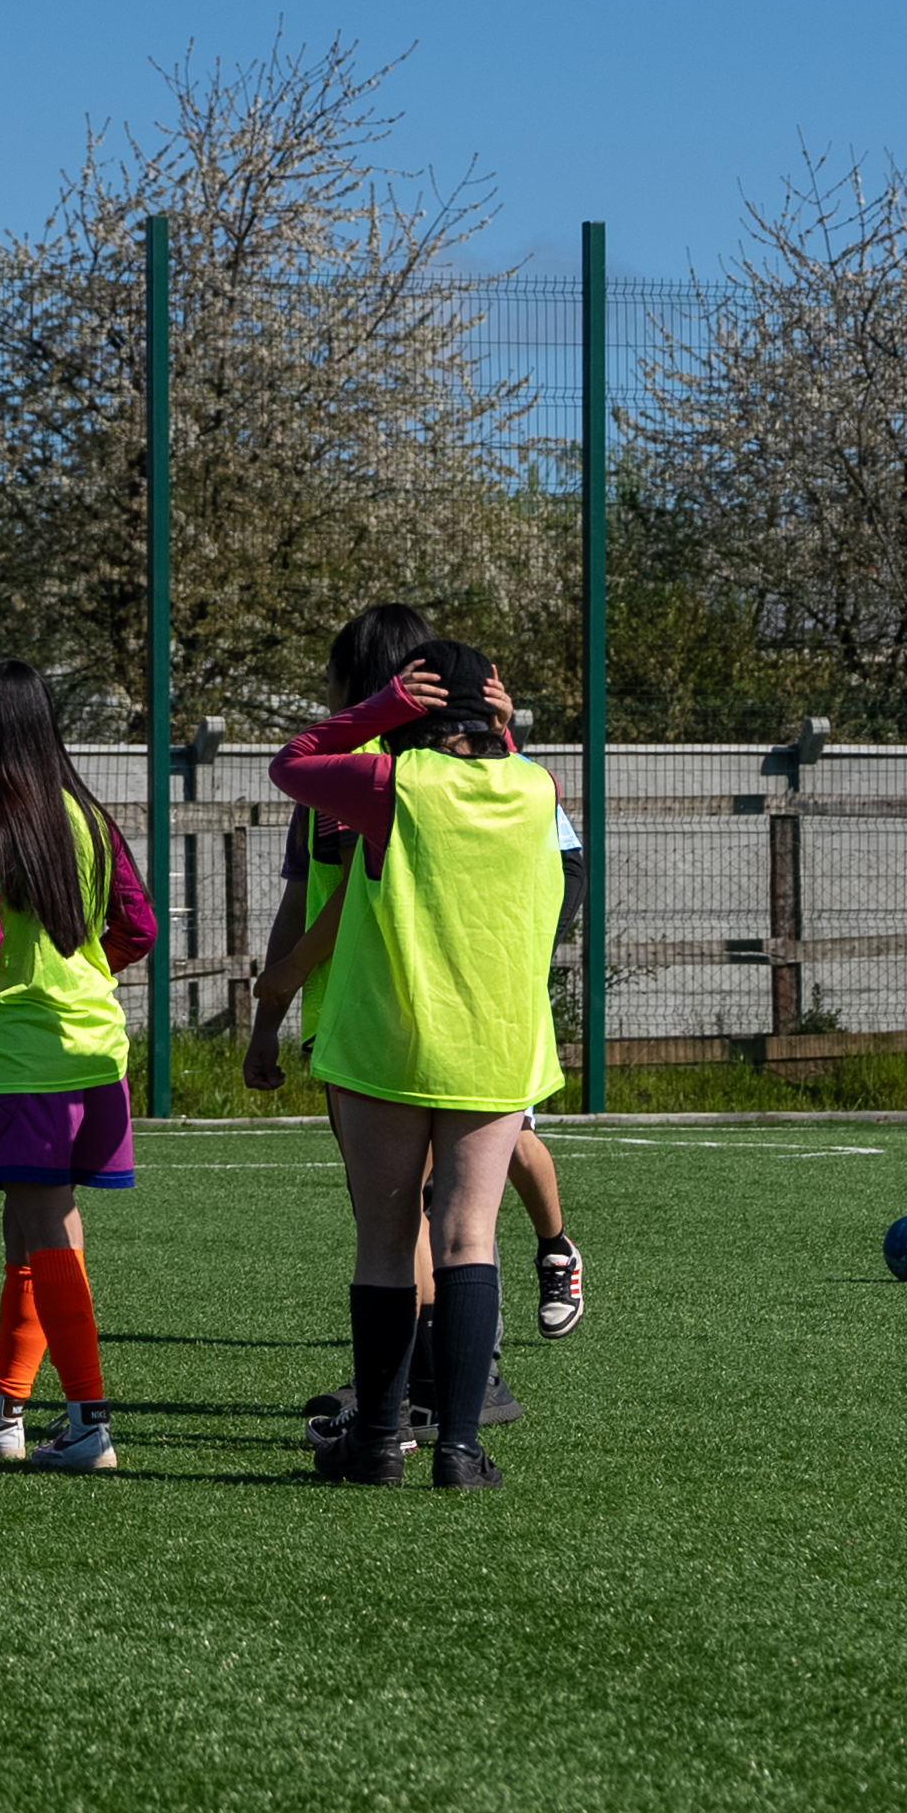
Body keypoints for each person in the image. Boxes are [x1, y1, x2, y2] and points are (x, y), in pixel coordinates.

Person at [245, 605, 585, 1433]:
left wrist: (281, 986)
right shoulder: (528, 779)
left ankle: (400, 1410)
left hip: (383, 1028)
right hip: (474, 1033)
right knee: (459, 1226)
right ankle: (453, 1421)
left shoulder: (375, 774)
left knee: (396, 1232)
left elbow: (305, 798)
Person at [0, 660, 156, 1472]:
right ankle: (2, 1406)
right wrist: (81, 975)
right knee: (35, 1225)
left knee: (42, 1224)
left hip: (23, 1054)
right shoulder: (87, 815)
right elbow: (138, 926)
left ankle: (87, 1418)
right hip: (96, 1047)